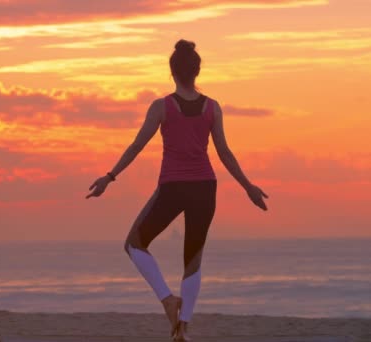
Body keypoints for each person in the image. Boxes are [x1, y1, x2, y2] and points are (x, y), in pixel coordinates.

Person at [85, 39, 269, 341]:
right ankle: (182, 328)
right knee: (193, 259)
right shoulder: (213, 107)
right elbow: (224, 152)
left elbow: (137, 145)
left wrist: (110, 176)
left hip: (173, 187)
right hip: (205, 188)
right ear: (197, 72)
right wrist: (248, 187)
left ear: (172, 72)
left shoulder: (162, 107)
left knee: (133, 244)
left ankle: (169, 302)